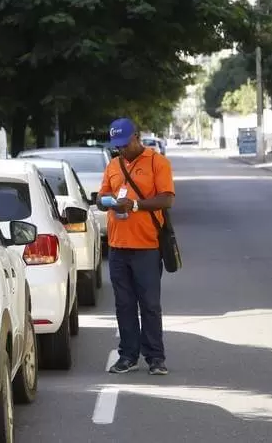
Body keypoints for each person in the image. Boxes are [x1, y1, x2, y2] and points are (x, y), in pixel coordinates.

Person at [98, 118, 175, 376]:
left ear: (137, 137)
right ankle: (128, 356)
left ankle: (156, 357)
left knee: (150, 304)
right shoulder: (112, 165)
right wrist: (107, 201)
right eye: (117, 145)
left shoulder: (157, 162)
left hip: (147, 247)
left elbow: (167, 199)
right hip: (118, 247)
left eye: (125, 144)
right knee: (124, 305)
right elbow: (101, 197)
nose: (122, 150)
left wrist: (135, 205)